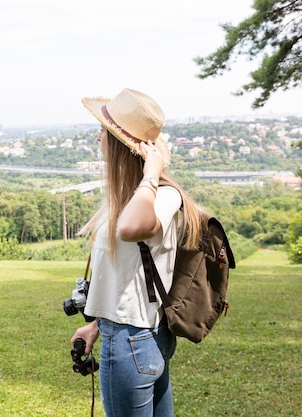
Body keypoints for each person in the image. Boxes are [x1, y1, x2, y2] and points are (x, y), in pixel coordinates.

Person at [71, 87, 204, 417]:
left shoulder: (163, 196)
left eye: (103, 131)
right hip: (136, 337)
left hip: (132, 345)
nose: (98, 137)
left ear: (118, 144)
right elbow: (128, 281)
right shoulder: (131, 198)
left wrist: (150, 174)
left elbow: (130, 229)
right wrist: (98, 325)